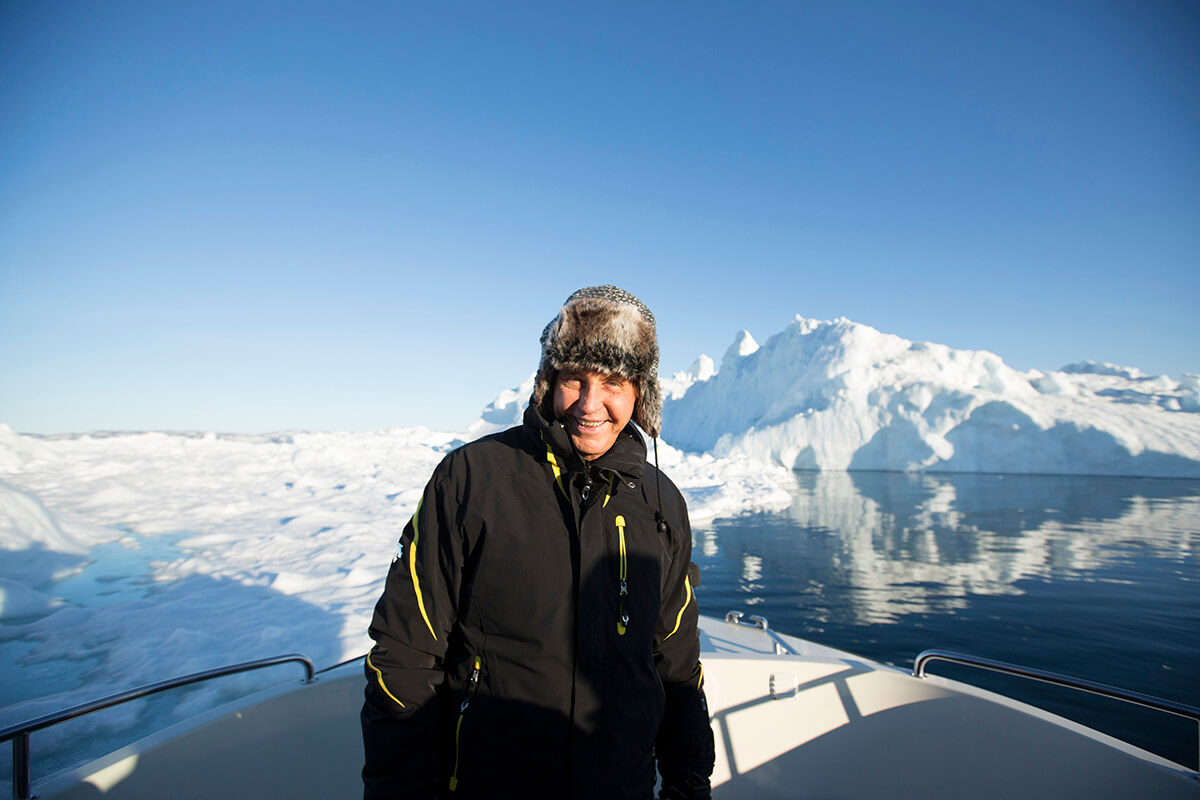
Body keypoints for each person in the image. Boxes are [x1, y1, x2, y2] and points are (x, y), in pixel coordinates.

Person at [361, 286, 715, 799]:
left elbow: (676, 662)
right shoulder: (471, 480)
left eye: (613, 381)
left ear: (640, 392)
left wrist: (688, 781)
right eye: (575, 378)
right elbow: (406, 653)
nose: (590, 405)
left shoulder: (661, 504)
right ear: (548, 381)